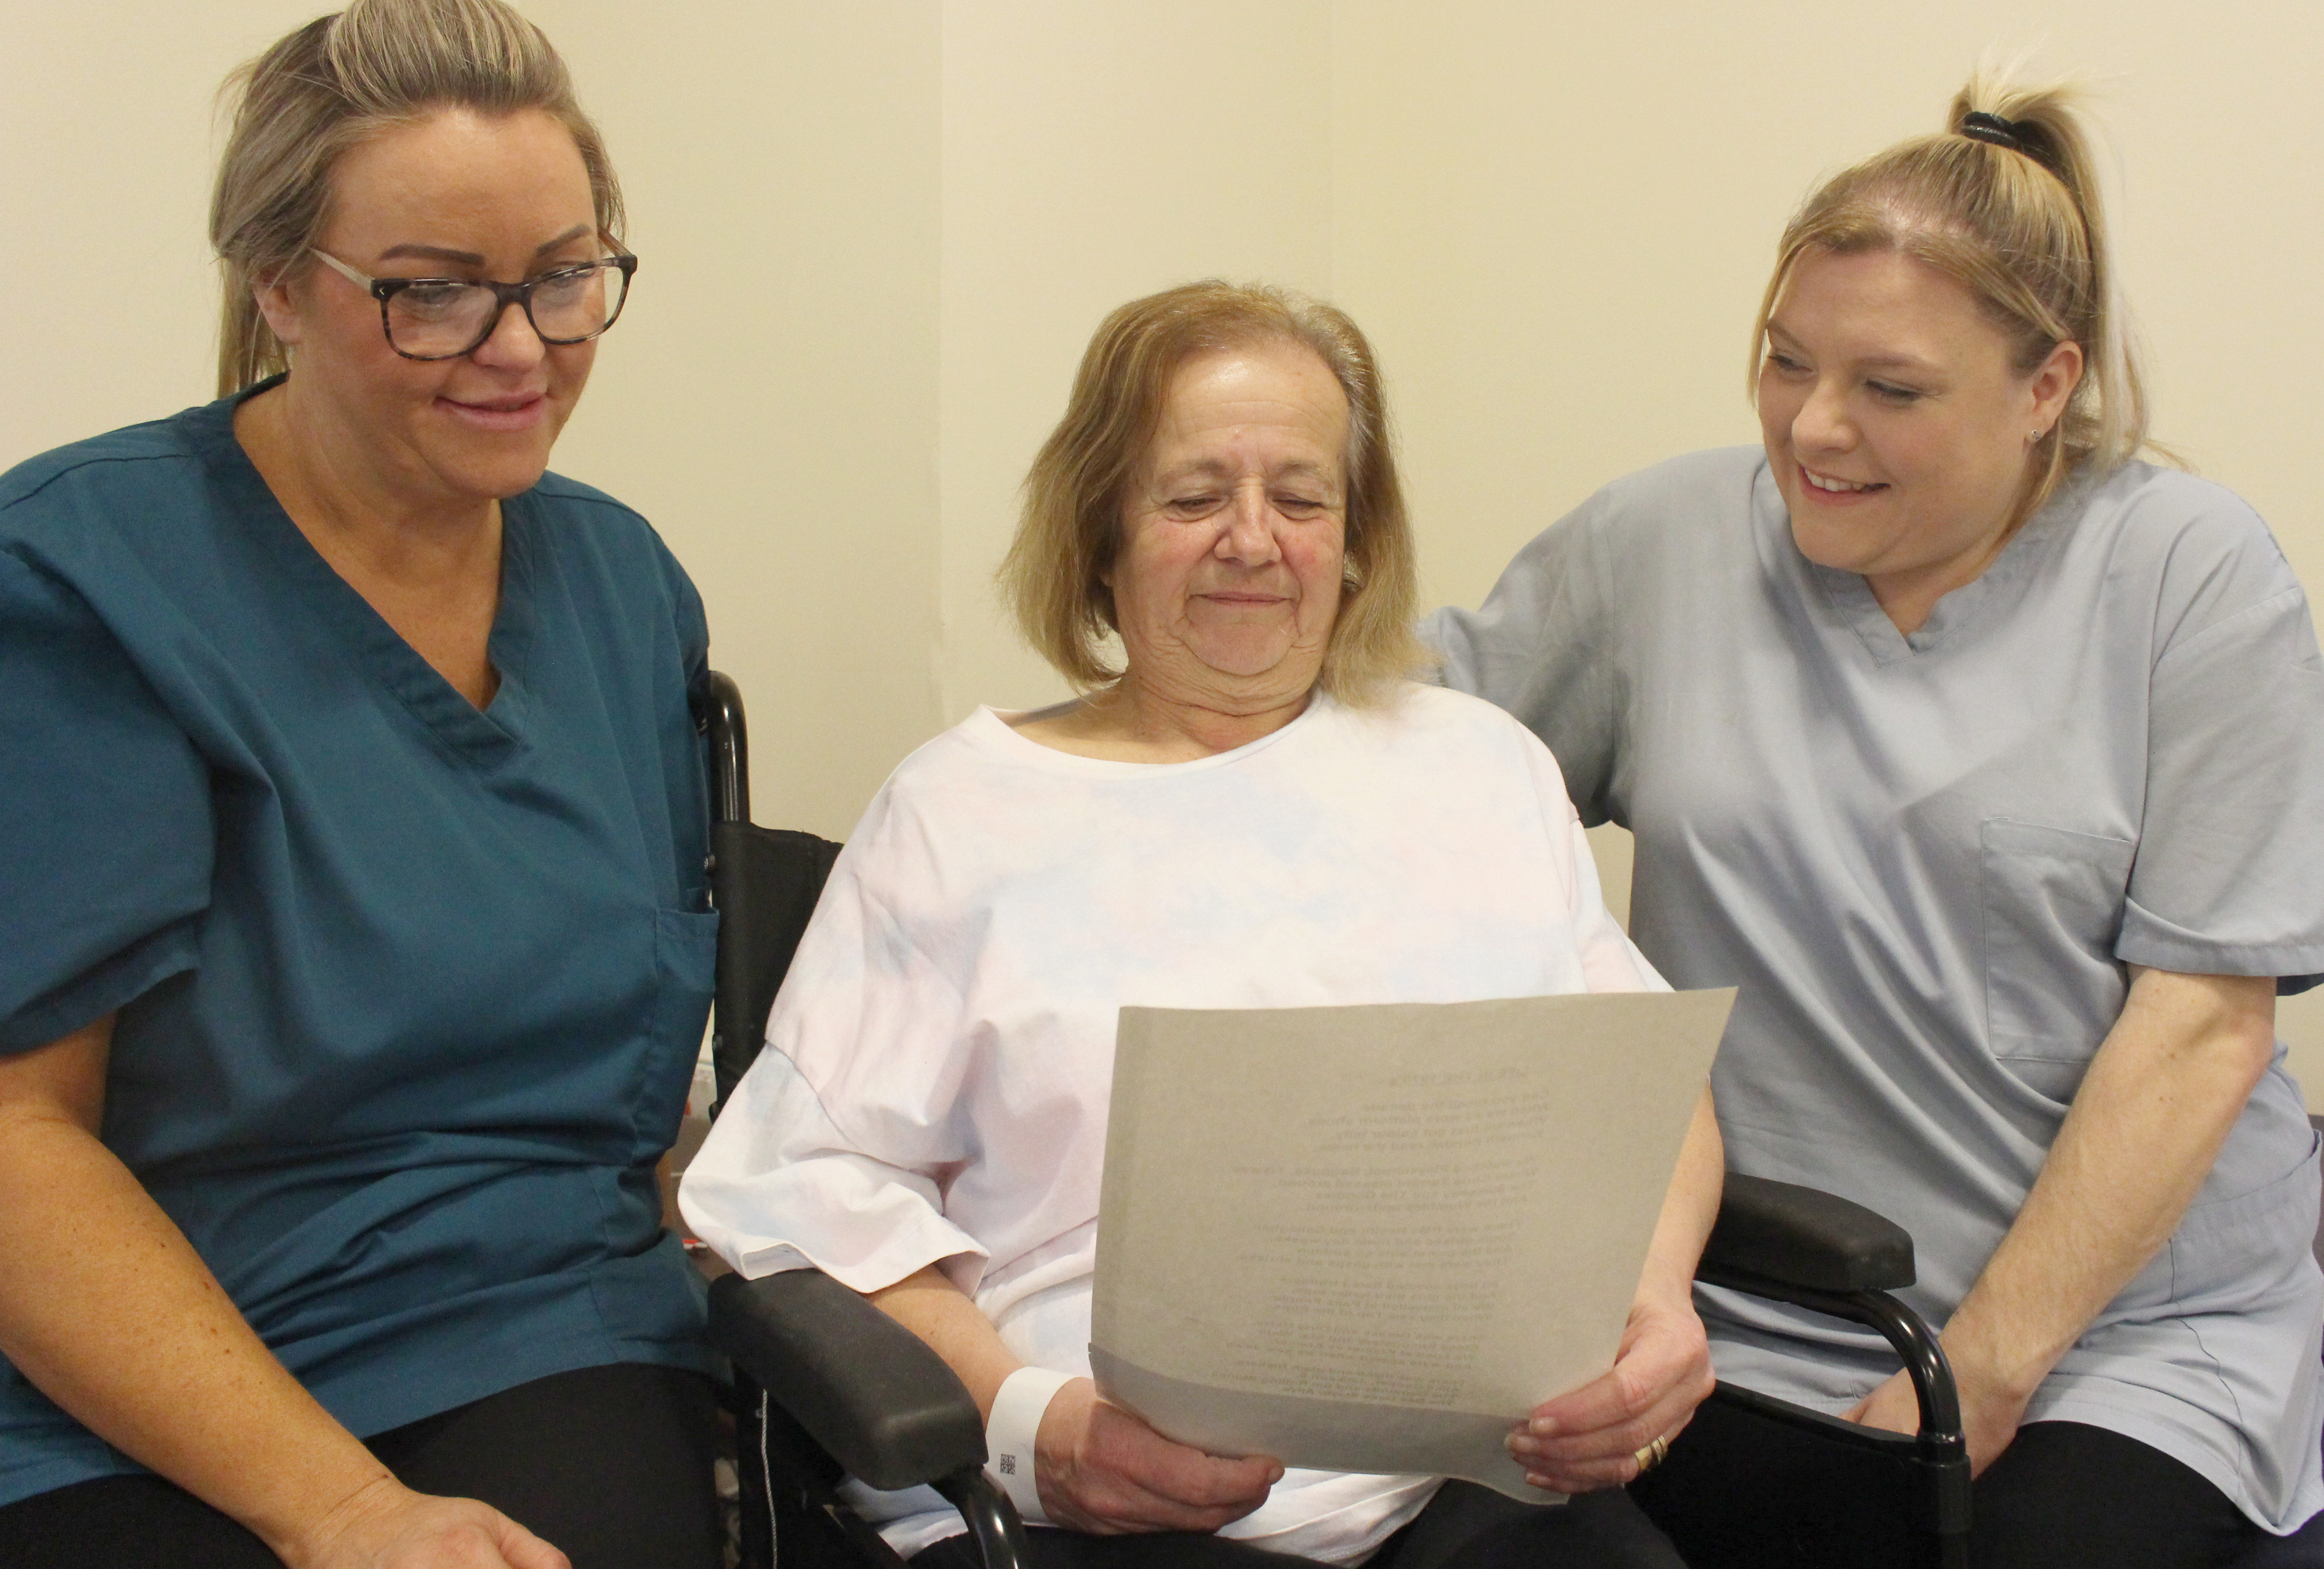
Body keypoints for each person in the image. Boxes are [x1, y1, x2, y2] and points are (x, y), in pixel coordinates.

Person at [682, 281, 1720, 1569]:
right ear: (1102, 536)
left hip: (1474, 1478)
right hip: (1111, 1497)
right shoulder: (964, 810)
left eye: (1302, 498)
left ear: (1355, 538)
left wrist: (1655, 1300)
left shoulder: (1479, 765)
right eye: (1193, 498)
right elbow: (802, 1196)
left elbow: (1647, 1087)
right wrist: (1033, 1421)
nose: (1253, 540)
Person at [1430, 76, 2324, 1569]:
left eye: (1891, 390)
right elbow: (1405, 767)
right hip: (1733, 1311)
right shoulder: (1660, 546)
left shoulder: (2190, 576)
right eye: (1786, 362)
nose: (1816, 427)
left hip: (2114, 1345)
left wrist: (1977, 1376)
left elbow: (2202, 1029)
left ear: (2047, 387)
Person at [0, 3, 724, 1566]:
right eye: (433, 293)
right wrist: (341, 1510)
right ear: (278, 285)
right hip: (120, 1353)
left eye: (564, 276)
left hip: (523, 1319)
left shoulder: (623, 589)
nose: (519, 348)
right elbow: (17, 1138)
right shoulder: (82, 579)